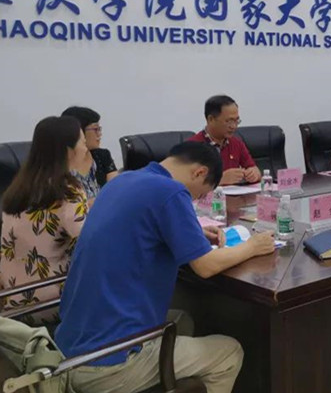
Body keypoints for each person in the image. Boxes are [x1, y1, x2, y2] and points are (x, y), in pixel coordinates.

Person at [56, 142, 276, 393]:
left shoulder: (122, 181)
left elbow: (139, 227)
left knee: (183, 320)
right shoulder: (171, 191)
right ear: (199, 172)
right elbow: (205, 266)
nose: (195, 200)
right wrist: (253, 246)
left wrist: (191, 233)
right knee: (229, 353)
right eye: (199, 195)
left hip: (69, 349)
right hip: (109, 364)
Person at [0, 116, 90, 324]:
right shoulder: (68, 191)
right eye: (82, 142)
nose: (86, 149)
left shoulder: (18, 187)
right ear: (68, 150)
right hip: (53, 302)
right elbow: (90, 243)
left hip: (13, 300)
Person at [188, 94, 261, 185]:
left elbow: (254, 169)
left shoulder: (236, 143)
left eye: (236, 121)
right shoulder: (192, 147)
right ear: (211, 119)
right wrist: (220, 179)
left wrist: (254, 174)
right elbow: (186, 184)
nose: (233, 126)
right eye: (229, 121)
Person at [62, 106, 119, 201]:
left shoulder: (102, 155)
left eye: (99, 129)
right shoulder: (59, 165)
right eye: (95, 129)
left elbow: (116, 189)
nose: (99, 134)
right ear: (78, 131)